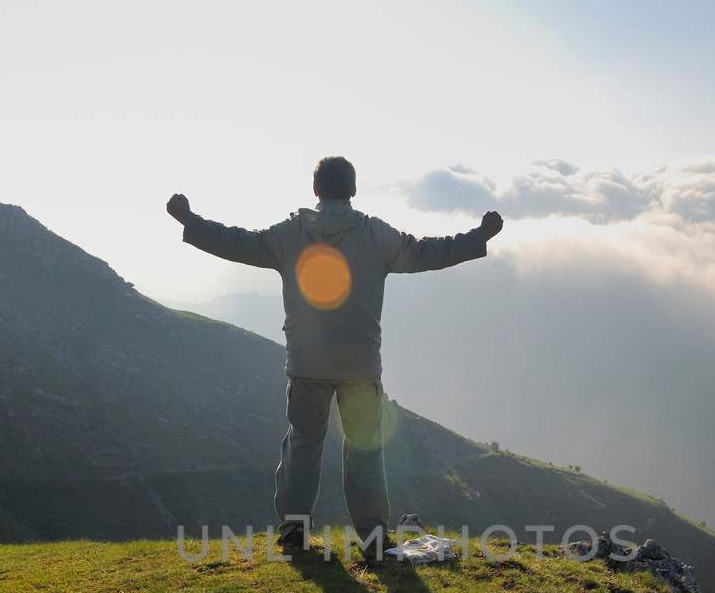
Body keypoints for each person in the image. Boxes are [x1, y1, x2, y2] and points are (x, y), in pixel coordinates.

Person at [167, 156, 503, 555]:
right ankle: (373, 535)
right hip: (360, 366)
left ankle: (293, 531)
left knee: (303, 445)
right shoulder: (375, 234)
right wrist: (479, 236)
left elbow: (238, 242)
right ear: (354, 190)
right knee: (364, 448)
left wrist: (189, 221)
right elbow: (430, 252)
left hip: (307, 364)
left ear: (315, 191)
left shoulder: (291, 234)